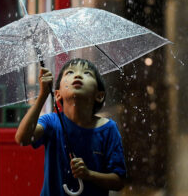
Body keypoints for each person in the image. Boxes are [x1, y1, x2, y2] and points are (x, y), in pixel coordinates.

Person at [15, 58, 126, 196]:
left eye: (87, 73)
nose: (78, 75)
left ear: (99, 95)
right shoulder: (51, 122)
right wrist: (42, 95)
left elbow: (118, 181)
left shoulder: (108, 129)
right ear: (57, 94)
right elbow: (22, 138)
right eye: (70, 73)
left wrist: (89, 174)